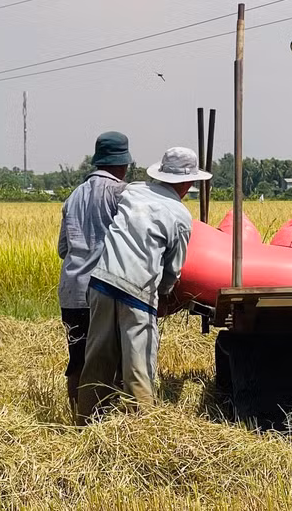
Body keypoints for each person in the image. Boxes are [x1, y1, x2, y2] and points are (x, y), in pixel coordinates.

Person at [76, 146, 208, 423]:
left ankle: (86, 422)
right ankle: (141, 428)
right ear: (187, 183)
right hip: (138, 290)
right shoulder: (180, 215)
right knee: (138, 367)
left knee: (97, 359)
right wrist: (165, 295)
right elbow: (173, 269)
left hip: (101, 281)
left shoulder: (134, 191)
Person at [56, 131, 132, 414]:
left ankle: (78, 418)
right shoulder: (122, 194)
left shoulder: (74, 196)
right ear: (123, 164)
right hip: (106, 291)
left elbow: (63, 248)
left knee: (78, 359)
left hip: (72, 291)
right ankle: (108, 418)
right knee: (111, 359)